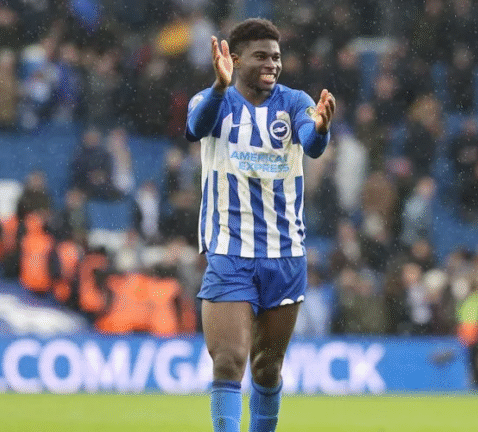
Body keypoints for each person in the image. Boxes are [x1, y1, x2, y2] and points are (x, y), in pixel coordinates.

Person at [185, 19, 335, 432]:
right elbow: (196, 127)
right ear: (235, 59)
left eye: (277, 57)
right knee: (229, 361)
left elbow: (312, 141)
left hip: (285, 256)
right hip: (230, 252)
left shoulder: (293, 102)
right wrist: (220, 87)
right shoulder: (211, 100)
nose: (273, 64)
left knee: (267, 369)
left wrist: (320, 129)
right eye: (262, 56)